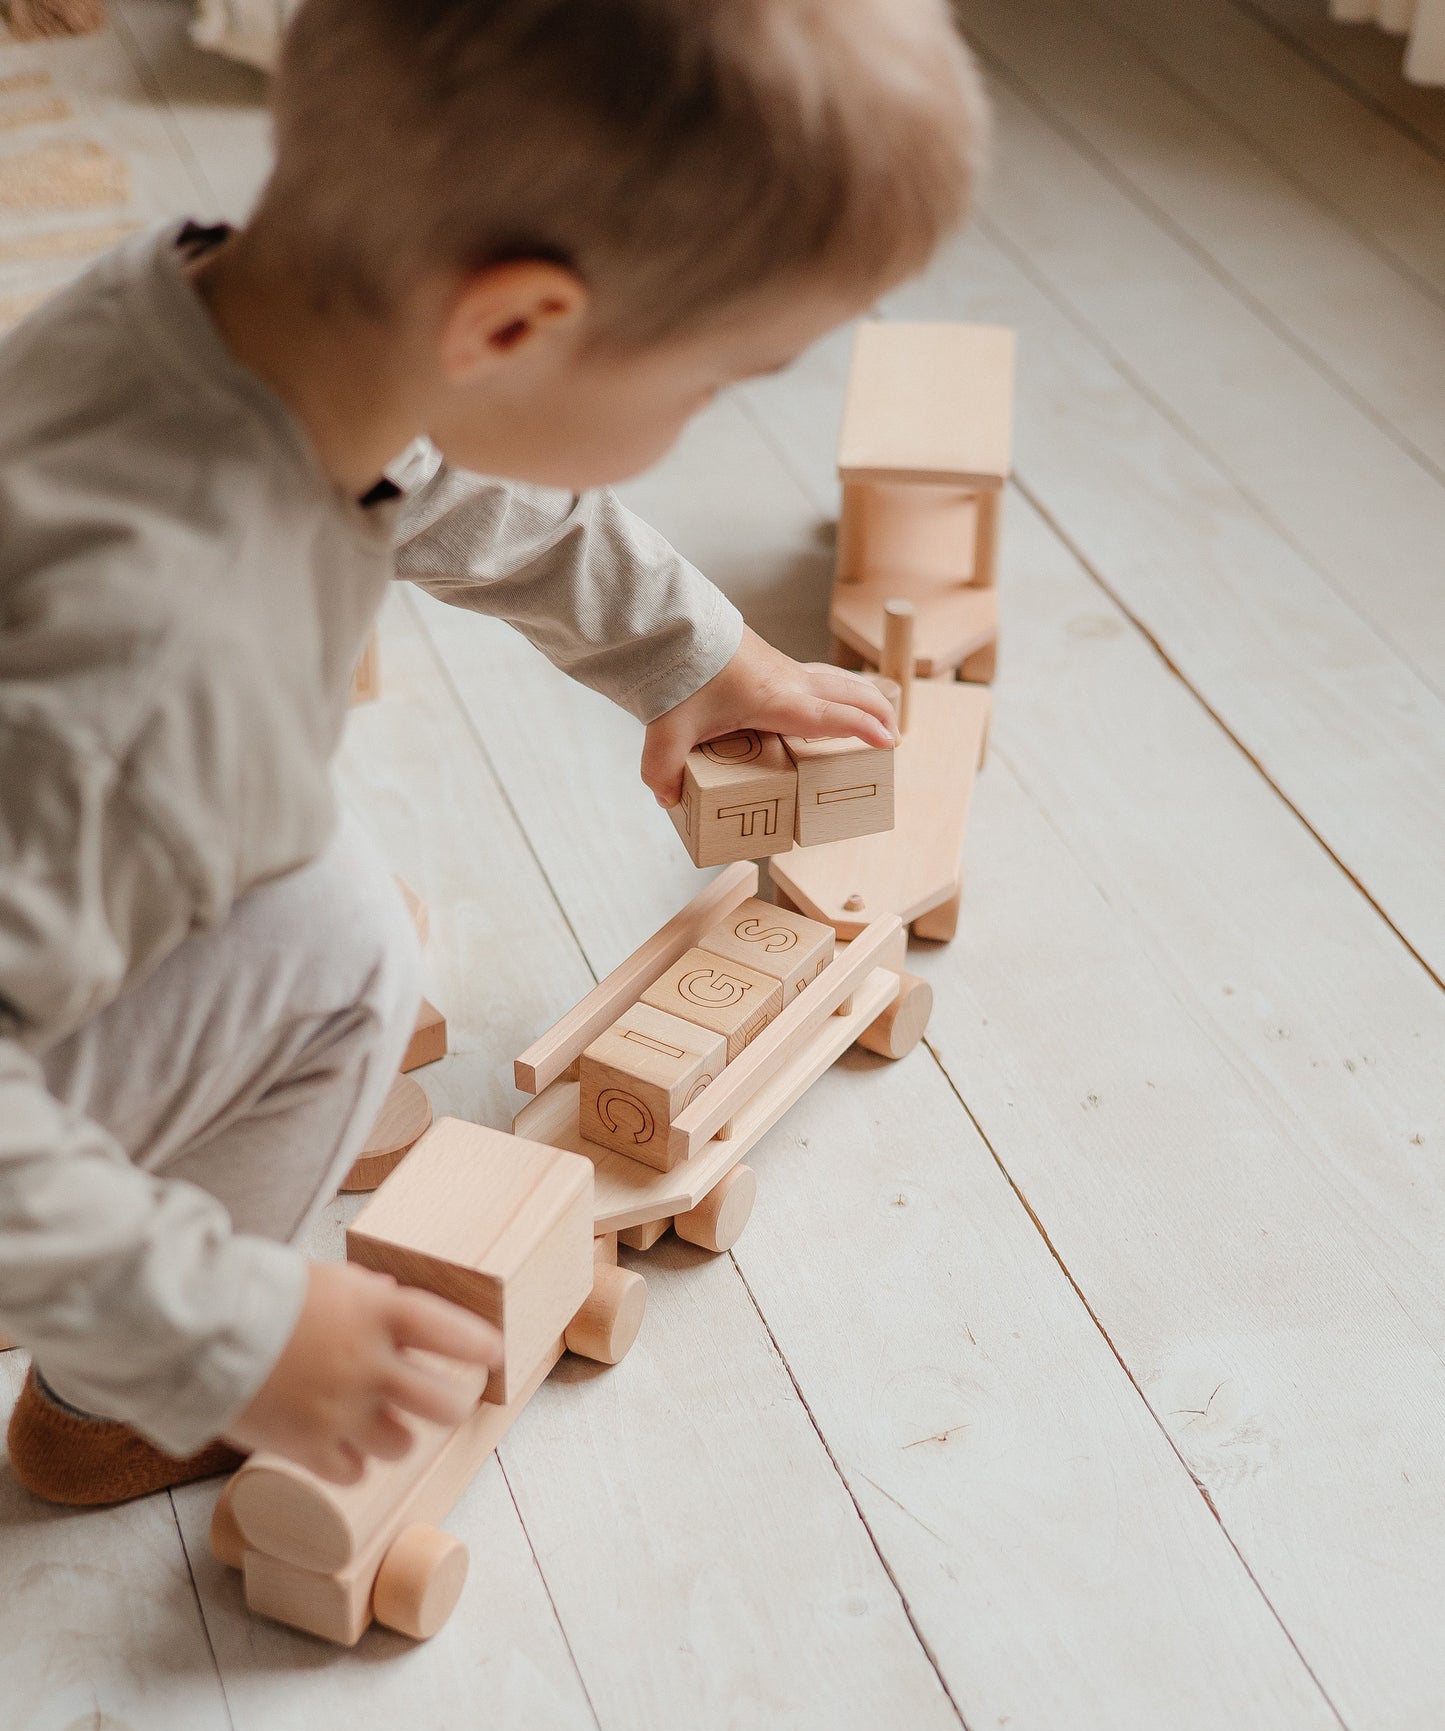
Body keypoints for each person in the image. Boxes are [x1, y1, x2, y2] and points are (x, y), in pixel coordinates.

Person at [0, 0, 986, 1507]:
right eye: (713, 379)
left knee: (293, 876)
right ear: (514, 326)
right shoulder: (155, 666)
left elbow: (445, 473)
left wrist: (697, 653)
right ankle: (112, 1408)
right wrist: (235, 1333)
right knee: (339, 965)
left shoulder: (209, 322)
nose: (703, 413)